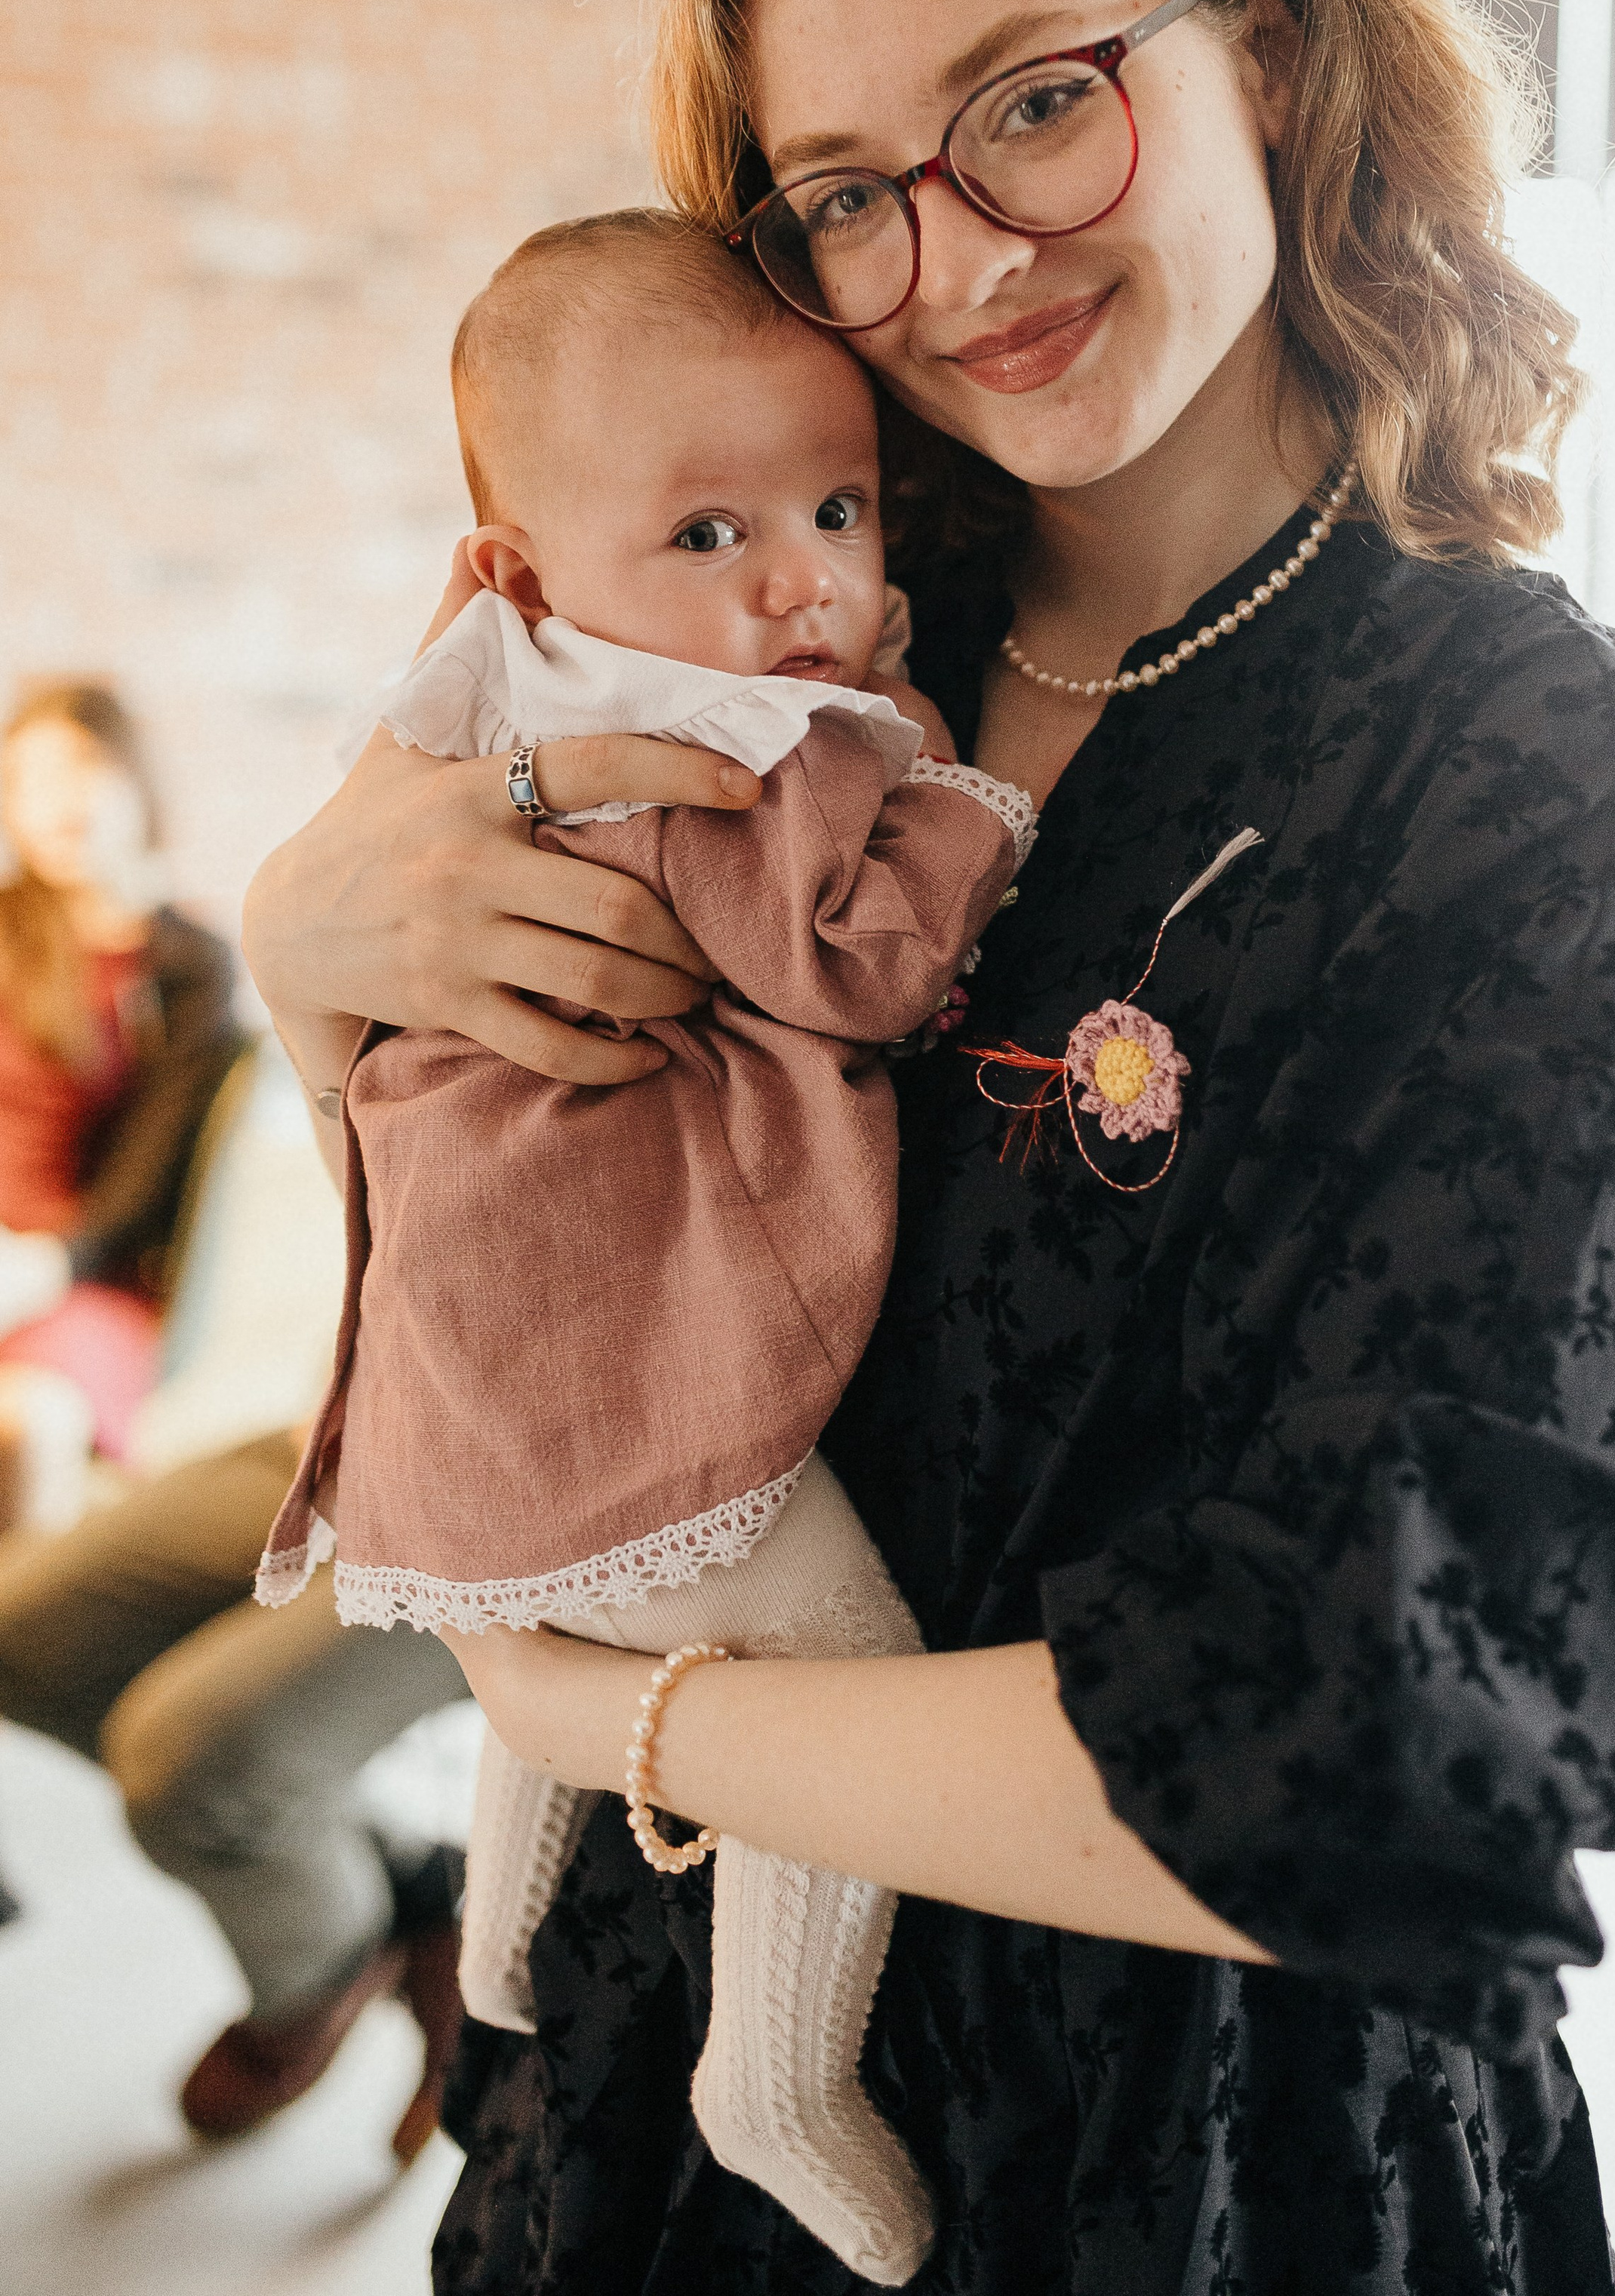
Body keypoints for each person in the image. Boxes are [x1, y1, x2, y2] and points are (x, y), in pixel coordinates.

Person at [243, 0, 1615, 2294]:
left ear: (1269, 43)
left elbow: (1427, 1732)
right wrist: (302, 963)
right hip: (637, 2122)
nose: (957, 262)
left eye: (1036, 101)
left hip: (1182, 2169)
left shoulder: (1520, 770)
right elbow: (505, 1173)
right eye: (840, 192)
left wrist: (616, 1722)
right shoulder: (809, 644)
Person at [258, 207, 1030, 2283]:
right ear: (525, 567)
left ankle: (502, 1943)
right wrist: (956, 795)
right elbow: (861, 970)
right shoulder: (733, 746)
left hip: (464, 1355)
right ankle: (777, 2072)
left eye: (837, 504)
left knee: (576, 1657)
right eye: (709, 533)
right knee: (835, 1673)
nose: (800, 579)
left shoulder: (461, 713)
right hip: (632, 1354)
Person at [0, 1423, 469, 2159]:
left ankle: (322, 1972)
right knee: (18, 1640)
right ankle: (414, 1876)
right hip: (340, 1432)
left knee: (189, 1777)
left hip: (513, 1522)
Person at [0, 678, 243, 1533]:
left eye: (76, 767)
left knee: (31, 1424)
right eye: (24, 781)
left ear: (134, 776)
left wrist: (44, 1269)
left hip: (82, 1275)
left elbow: (151, 1177)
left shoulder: (187, 967)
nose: (54, 801)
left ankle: (28, 1652)